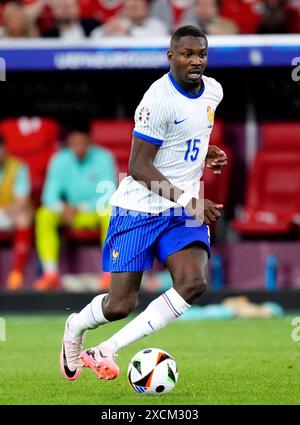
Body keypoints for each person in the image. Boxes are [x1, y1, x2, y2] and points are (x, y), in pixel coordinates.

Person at [60, 25, 228, 381]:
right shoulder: (158, 100)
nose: (195, 61)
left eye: (201, 54)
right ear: (171, 57)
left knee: (193, 283)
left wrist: (203, 155)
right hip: (138, 209)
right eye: (187, 54)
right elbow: (138, 166)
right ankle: (75, 326)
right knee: (120, 304)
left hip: (179, 210)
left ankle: (107, 349)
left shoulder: (214, 90)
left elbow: (187, 137)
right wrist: (191, 201)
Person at [33, 123, 116, 291]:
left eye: (82, 142)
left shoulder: (104, 157)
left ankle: (109, 273)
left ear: (90, 141)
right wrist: (61, 208)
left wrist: (79, 207)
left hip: (94, 211)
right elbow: (48, 195)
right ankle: (50, 274)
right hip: (68, 214)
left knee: (110, 212)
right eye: (74, 143)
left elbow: (109, 194)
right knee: (44, 215)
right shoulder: (59, 159)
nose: (78, 147)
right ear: (68, 142)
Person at [0, 135, 33, 290]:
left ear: (4, 149)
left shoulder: (18, 167)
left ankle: (17, 274)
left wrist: (7, 210)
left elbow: (21, 200)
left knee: (23, 217)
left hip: (8, 213)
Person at [91, 0, 168, 38]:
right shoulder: (119, 24)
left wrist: (129, 31)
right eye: (130, 8)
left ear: (145, 9)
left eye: (137, 7)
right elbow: (93, 36)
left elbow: (160, 38)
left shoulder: (155, 24)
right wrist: (105, 30)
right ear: (125, 10)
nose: (134, 11)